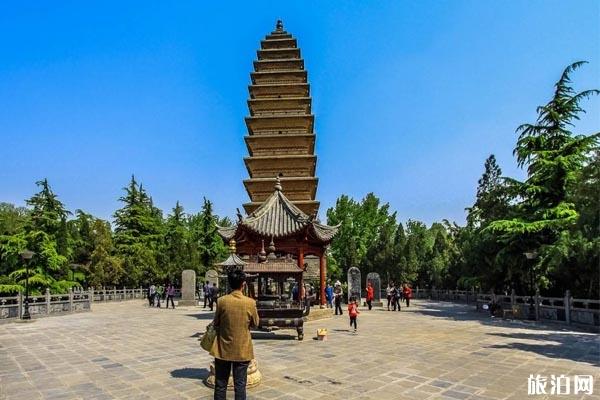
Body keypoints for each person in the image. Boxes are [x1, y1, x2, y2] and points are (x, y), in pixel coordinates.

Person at [211, 268, 259, 400]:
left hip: (223, 349)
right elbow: (255, 323)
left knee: (220, 385)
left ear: (229, 283)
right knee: (240, 385)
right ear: (243, 284)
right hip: (242, 349)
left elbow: (216, 323)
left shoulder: (222, 301)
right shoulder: (250, 303)